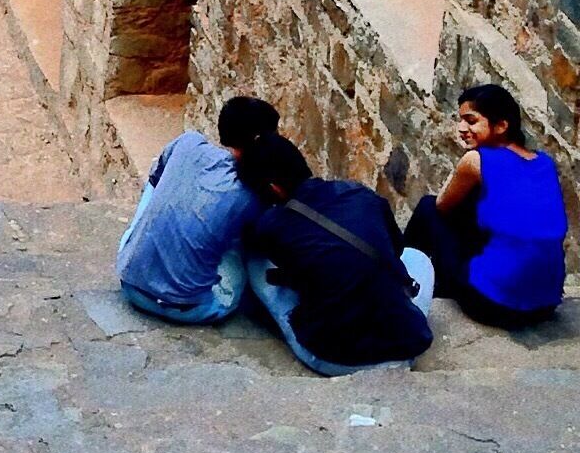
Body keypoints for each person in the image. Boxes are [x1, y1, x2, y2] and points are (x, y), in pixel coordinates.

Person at [240, 133, 434, 374]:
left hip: (338, 359)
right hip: (408, 341)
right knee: (418, 258)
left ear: (274, 188)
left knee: (255, 262)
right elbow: (398, 250)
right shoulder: (358, 193)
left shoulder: (272, 225)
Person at [400, 84, 567, 328]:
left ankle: (400, 280)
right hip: (545, 305)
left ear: (501, 126)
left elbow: (442, 206)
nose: (461, 128)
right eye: (460, 120)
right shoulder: (544, 163)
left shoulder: (476, 161)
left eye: (471, 121)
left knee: (427, 207)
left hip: (493, 306)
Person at [116, 94, 279, 324]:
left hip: (130, 284)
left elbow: (155, 180)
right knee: (240, 248)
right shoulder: (250, 192)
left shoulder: (187, 143)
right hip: (189, 308)